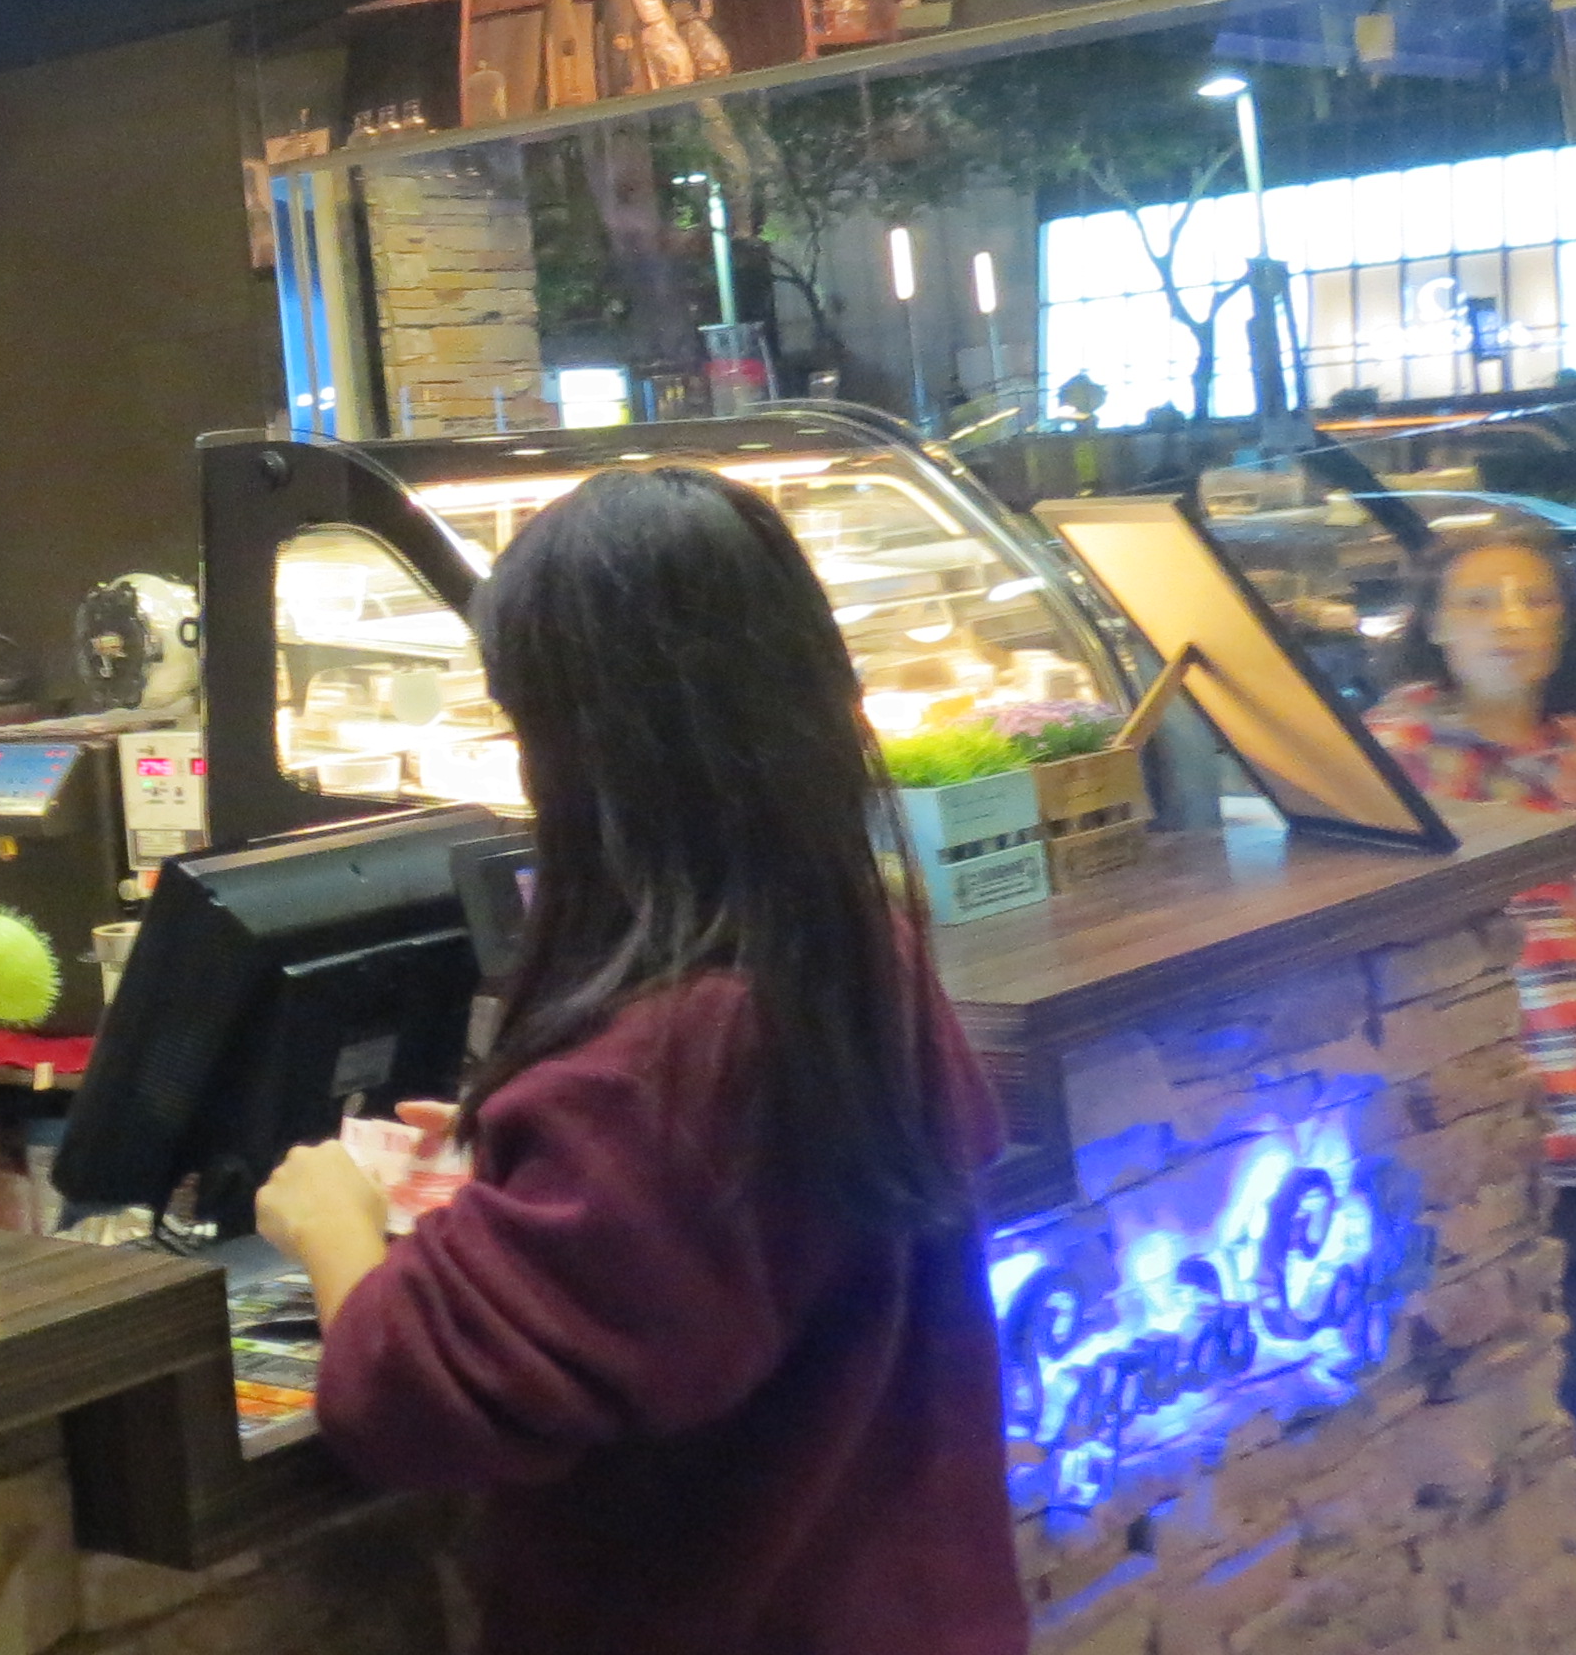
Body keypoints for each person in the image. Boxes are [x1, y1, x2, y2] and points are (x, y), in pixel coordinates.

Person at [253, 462, 1025, 1655]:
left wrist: (333, 1223)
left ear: (589, 750)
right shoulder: (849, 946)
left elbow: (415, 1407)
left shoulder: (664, 1067)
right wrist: (523, 1179)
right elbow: (728, 1242)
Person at [1367, 514, 1576, 1622]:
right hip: (1471, 1128)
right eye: (1478, 601)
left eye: (1535, 599)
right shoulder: (1393, 760)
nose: (1510, 623)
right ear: (1432, 626)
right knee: (1473, 1389)